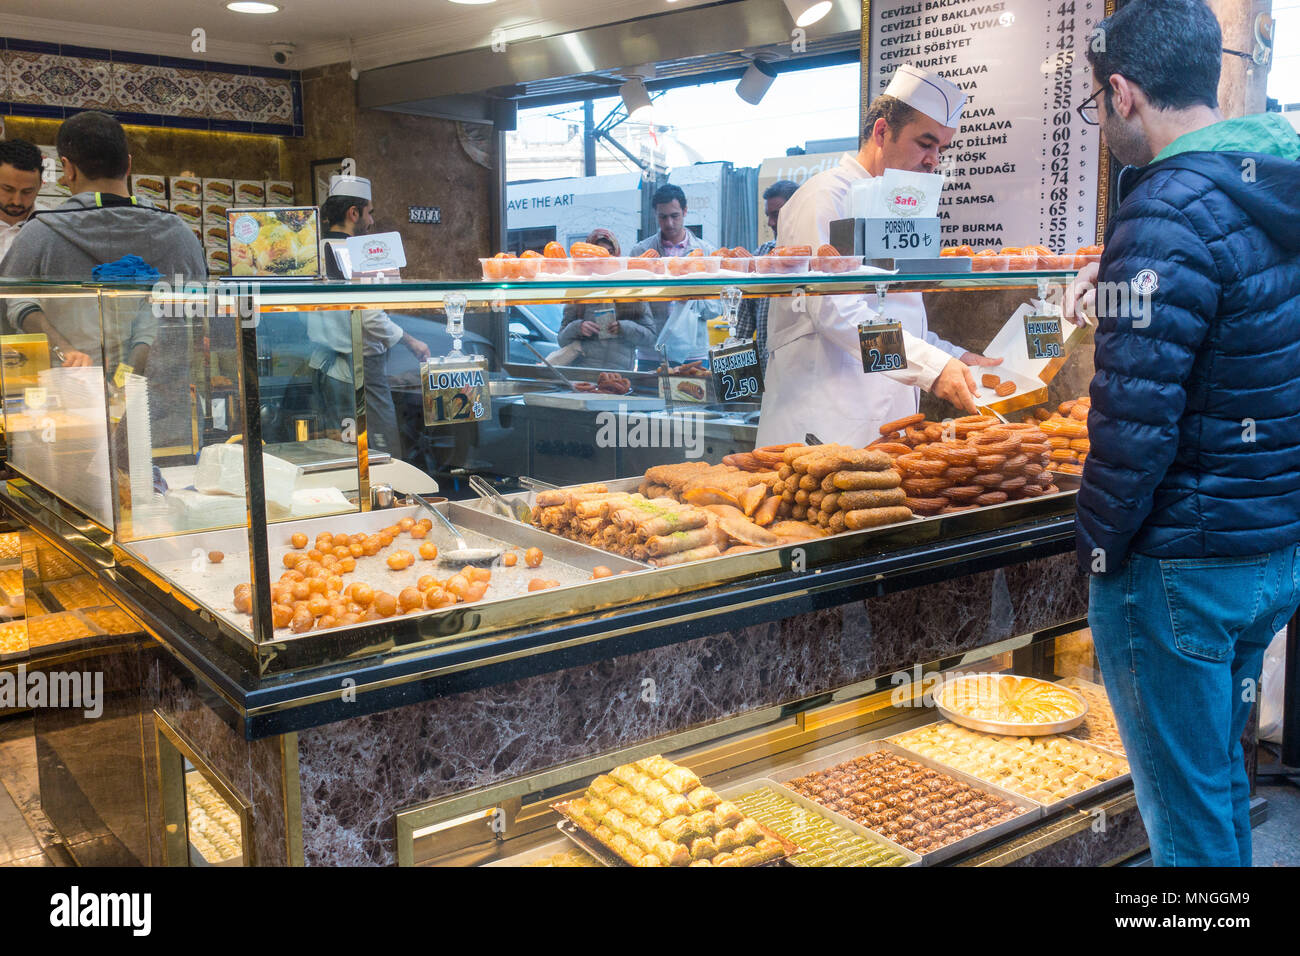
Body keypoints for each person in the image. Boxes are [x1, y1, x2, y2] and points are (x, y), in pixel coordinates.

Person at [1067, 0, 1300, 867]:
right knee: (1220, 786)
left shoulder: (1165, 207)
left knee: (1186, 824)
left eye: (1100, 103)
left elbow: (1135, 428)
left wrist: (1098, 547)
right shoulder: (1273, 182)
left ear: (1124, 92)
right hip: (1268, 547)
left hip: (1179, 567)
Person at [756, 65, 999, 447]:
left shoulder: (892, 206)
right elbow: (835, 312)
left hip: (887, 425)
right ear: (882, 132)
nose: (934, 160)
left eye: (941, 149)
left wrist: (953, 357)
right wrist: (933, 368)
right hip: (823, 429)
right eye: (926, 143)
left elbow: (895, 315)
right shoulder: (825, 197)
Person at [0, 111, 205, 372]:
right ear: (128, 165)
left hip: (70, 395)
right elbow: (197, 322)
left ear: (68, 169)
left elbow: (11, 304)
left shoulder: (39, 234)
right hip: (162, 398)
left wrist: (64, 350)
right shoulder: (182, 236)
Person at [309, 174, 430, 456]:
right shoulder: (356, 254)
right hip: (359, 369)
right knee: (381, 446)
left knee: (339, 447)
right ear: (354, 213)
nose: (372, 221)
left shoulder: (313, 252)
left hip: (323, 367)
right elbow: (369, 317)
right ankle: (386, 498)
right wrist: (411, 341)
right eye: (369, 212)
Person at [554, 229, 655, 369]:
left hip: (620, 376)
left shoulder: (630, 289)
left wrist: (624, 327)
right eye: (598, 253)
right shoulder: (579, 289)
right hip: (584, 375)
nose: (605, 259)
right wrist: (579, 327)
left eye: (610, 252)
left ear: (617, 254)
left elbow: (650, 337)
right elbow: (561, 340)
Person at [736, 179, 798, 374]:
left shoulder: (811, 259)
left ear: (796, 211)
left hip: (800, 372)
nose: (770, 222)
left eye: (776, 215)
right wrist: (737, 376)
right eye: (768, 216)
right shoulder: (761, 254)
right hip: (765, 371)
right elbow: (744, 324)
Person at [628, 183, 715, 258]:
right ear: (655, 214)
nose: (669, 223)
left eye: (674, 216)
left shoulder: (708, 253)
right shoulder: (639, 253)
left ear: (684, 211)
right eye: (663, 217)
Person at [0, 139, 42, 261]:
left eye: (27, 191)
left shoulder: (52, 227)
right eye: (8, 189)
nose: (17, 201)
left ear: (40, 186)